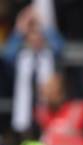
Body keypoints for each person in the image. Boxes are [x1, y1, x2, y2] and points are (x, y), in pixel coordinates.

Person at [3, 5, 64, 136]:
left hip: (46, 117)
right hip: (23, 116)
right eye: (32, 33)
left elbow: (59, 46)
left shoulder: (49, 54)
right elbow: (7, 55)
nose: (36, 37)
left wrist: (45, 25)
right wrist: (19, 28)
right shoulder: (21, 56)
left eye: (38, 33)